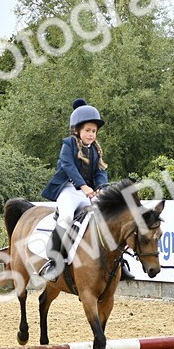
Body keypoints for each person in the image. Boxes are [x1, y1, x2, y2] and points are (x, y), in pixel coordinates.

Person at [38, 98, 109, 279]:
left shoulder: (95, 150)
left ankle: (114, 263)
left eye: (94, 131)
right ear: (77, 130)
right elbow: (68, 166)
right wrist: (84, 186)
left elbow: (101, 170)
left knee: (107, 216)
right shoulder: (68, 144)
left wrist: (100, 187)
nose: (91, 134)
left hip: (87, 192)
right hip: (68, 190)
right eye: (87, 130)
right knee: (67, 217)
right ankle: (53, 261)